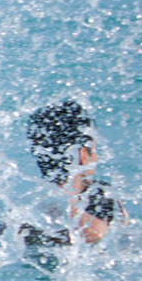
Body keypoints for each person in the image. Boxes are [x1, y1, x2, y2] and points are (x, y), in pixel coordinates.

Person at [24, 100, 124, 246]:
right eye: (94, 150)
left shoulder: (23, 215)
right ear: (83, 156)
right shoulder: (103, 202)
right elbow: (98, 234)